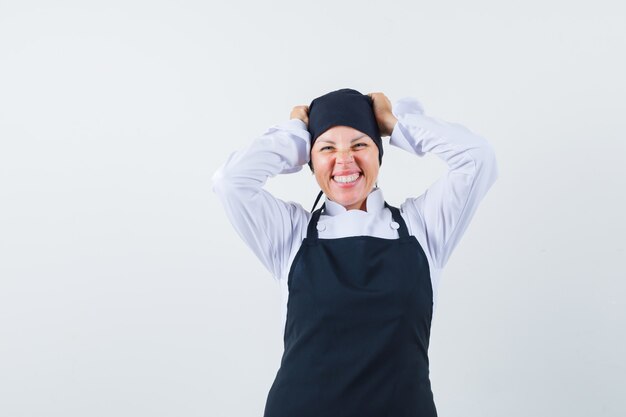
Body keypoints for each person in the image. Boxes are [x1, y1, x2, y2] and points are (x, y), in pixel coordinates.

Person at [212, 88, 498, 416]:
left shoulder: (424, 226)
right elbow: (230, 182)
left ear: (378, 152)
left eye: (360, 144)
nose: (344, 160)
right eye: (327, 148)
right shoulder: (289, 233)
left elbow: (479, 159)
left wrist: (397, 123)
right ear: (310, 158)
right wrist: (293, 135)